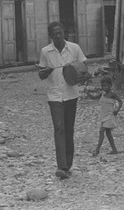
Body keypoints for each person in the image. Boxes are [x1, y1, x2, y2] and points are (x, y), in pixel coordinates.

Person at [38, 21, 87, 179]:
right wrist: (47, 71)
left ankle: (68, 163)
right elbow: (41, 74)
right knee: (59, 128)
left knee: (69, 129)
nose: (58, 36)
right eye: (55, 34)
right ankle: (62, 166)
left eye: (60, 33)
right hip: (54, 96)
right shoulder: (46, 52)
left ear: (63, 32)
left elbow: (84, 68)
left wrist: (79, 75)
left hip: (71, 94)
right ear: (50, 36)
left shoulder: (74, 48)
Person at [86, 76, 123, 156]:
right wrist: (88, 93)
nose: (104, 88)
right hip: (103, 116)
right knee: (108, 133)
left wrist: (117, 110)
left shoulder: (112, 94)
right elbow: (94, 97)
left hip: (110, 116)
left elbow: (120, 102)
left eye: (105, 86)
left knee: (101, 131)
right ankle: (114, 150)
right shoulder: (102, 94)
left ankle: (97, 150)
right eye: (102, 86)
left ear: (110, 85)